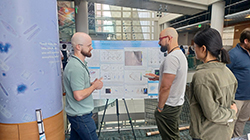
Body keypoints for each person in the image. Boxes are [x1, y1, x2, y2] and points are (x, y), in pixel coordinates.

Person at [189, 28, 238, 140]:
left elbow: (212, 113)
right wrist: (232, 112)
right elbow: (231, 102)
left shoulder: (202, 76)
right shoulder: (228, 72)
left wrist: (232, 113)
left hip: (206, 134)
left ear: (203, 48)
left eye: (194, 47)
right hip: (225, 131)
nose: (194, 50)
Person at [146, 27, 188, 140]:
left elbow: (166, 87)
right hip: (176, 103)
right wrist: (158, 78)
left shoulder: (172, 58)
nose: (159, 43)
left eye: (160, 39)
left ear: (169, 38)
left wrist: (160, 108)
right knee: (172, 134)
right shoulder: (180, 55)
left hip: (169, 105)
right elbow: (175, 77)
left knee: (170, 137)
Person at [63, 32, 103, 140]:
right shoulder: (76, 67)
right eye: (89, 45)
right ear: (78, 47)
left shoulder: (78, 64)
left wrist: (90, 84)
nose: (92, 48)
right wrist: (94, 87)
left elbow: (77, 87)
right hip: (81, 117)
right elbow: (78, 95)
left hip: (77, 116)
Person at [227, 28, 250, 138]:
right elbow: (225, 75)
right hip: (236, 98)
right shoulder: (233, 54)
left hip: (248, 97)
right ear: (246, 41)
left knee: (241, 123)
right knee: (230, 123)